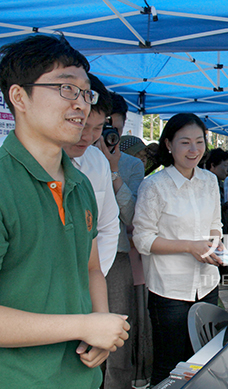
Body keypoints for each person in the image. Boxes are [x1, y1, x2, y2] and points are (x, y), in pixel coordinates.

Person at [0, 34, 129, 388]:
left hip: (80, 375)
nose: (82, 104)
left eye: (87, 93)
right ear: (19, 97)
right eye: (67, 89)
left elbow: (90, 268)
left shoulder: (80, 184)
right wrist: (84, 325)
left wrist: (100, 323)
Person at [132, 113, 224, 385]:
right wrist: (189, 247)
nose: (194, 150)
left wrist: (215, 243)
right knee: (170, 366)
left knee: (203, 361)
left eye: (199, 141)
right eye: (185, 142)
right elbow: (143, 240)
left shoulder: (209, 181)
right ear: (169, 144)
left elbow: (215, 223)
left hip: (207, 284)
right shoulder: (154, 186)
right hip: (169, 290)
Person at [95, 91, 144, 389]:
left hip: (117, 255)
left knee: (115, 334)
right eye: (103, 126)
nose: (107, 134)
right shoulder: (73, 153)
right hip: (77, 255)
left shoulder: (131, 165)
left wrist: (113, 170)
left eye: (115, 128)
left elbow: (132, 215)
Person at [63, 73, 120, 277]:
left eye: (98, 128)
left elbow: (108, 227)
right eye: (82, 125)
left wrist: (92, 279)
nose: (88, 137)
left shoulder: (97, 161)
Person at [206, 147, 228, 235]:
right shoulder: (206, 184)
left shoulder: (220, 183)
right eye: (225, 166)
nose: (227, 170)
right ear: (212, 166)